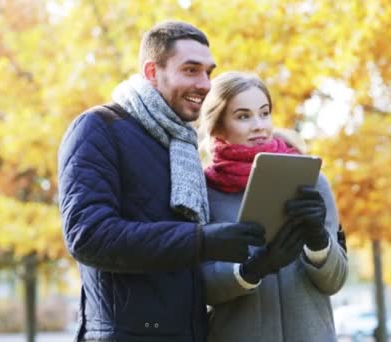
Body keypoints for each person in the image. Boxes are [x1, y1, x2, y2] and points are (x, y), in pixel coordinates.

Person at [57, 23, 265, 342]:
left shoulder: (182, 144)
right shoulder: (98, 129)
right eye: (191, 70)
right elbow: (88, 235)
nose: (205, 84)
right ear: (152, 72)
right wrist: (201, 241)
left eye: (208, 72)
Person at [198, 71, 348, 342]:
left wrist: (319, 242)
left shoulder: (312, 182)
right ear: (217, 126)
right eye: (243, 116)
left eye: (264, 113)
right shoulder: (203, 192)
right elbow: (196, 286)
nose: (259, 125)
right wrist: (251, 270)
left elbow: (334, 281)